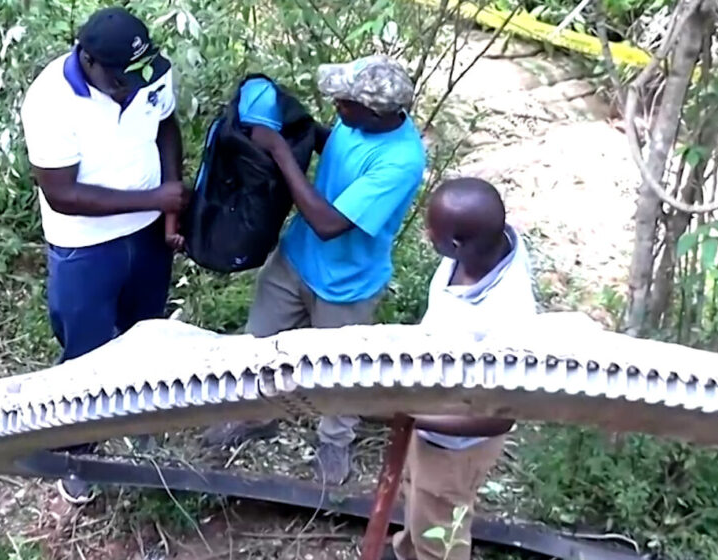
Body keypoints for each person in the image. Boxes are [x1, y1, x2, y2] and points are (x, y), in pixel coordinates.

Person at [203, 55, 427, 485]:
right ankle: (255, 417)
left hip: (347, 282)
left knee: (338, 371)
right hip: (296, 261)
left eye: (344, 102)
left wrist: (281, 153)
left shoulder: (400, 161)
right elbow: (333, 143)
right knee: (258, 348)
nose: (337, 106)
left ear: (376, 111)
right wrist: (296, 133)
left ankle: (335, 440)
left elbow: (328, 225)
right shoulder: (357, 120)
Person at [20, 6, 187, 504]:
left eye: (140, 77)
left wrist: (169, 207)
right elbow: (62, 194)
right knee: (85, 353)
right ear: (88, 61)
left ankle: (139, 418)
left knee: (145, 334)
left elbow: (167, 125)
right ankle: (78, 453)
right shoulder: (50, 102)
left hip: (148, 235)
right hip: (84, 248)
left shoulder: (148, 74)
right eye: (121, 80)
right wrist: (155, 200)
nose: (133, 88)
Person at [390, 178, 537, 560]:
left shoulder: (509, 315)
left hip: (455, 445)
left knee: (440, 531)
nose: (425, 235)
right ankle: (407, 551)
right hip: (428, 417)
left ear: (456, 244)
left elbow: (499, 420)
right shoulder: (479, 246)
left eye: (431, 233)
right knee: (418, 499)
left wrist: (413, 416)